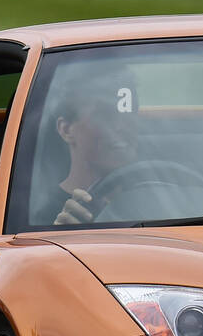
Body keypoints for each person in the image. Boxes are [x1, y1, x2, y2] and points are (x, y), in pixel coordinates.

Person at [51, 69, 141, 225]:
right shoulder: (39, 215)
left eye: (129, 113)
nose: (121, 126)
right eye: (105, 115)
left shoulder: (153, 198)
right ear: (66, 130)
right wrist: (58, 235)